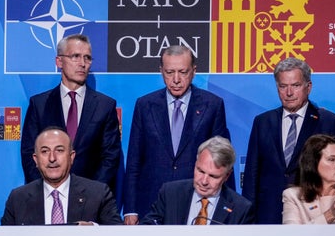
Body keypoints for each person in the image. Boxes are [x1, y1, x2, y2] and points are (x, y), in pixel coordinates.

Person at [123, 45, 232, 224]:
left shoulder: (212, 105)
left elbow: (222, 161)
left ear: (194, 71)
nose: (176, 79)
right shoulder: (145, 105)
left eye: (182, 72)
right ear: (161, 71)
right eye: (169, 72)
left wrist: (226, 208)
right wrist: (130, 209)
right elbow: (135, 161)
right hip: (151, 202)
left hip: (196, 201)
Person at [243, 57, 335, 224]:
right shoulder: (262, 122)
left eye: (296, 85)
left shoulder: (328, 121)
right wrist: (248, 217)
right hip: (268, 214)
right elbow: (252, 174)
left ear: (308, 87)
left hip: (310, 213)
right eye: (283, 86)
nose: (289, 92)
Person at [21, 34, 122, 194]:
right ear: (59, 61)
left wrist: (91, 196)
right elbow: (29, 154)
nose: (82, 64)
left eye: (87, 58)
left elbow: (110, 158)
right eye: (75, 56)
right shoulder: (39, 105)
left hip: (90, 200)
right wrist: (45, 192)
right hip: (46, 198)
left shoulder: (105, 106)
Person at [2, 127, 122, 225]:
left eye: (59, 150)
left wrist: (94, 230)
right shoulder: (17, 199)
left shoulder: (99, 194)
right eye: (45, 151)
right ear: (36, 159)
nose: (52, 158)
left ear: (71, 157)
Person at [141, 136, 254, 225]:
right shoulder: (170, 193)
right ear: (195, 163)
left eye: (213, 176)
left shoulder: (241, 210)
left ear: (227, 176)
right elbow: (147, 229)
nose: (204, 181)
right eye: (200, 171)